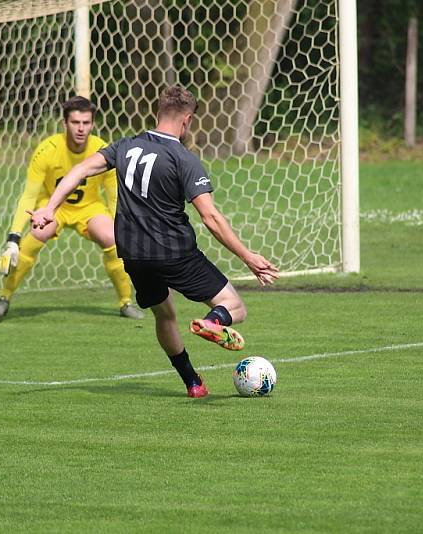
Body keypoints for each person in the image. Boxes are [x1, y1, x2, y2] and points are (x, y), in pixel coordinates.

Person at [29, 85, 279, 398]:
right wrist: (248, 256)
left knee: (165, 314)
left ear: (157, 113)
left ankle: (192, 382)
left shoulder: (124, 146)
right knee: (234, 306)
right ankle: (213, 321)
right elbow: (211, 218)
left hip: (133, 254)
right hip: (174, 252)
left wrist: (50, 209)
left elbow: (80, 170)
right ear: (186, 121)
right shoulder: (182, 158)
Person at [0, 96, 144, 321]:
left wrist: (125, 228)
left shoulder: (103, 150)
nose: (81, 128)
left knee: (111, 237)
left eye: (86, 123)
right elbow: (29, 195)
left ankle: (126, 302)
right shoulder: (47, 150)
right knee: (38, 233)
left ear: (92, 124)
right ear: (64, 124)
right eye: (75, 122)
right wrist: (14, 238)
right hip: (52, 206)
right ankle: (4, 298)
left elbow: (114, 195)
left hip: (89, 207)